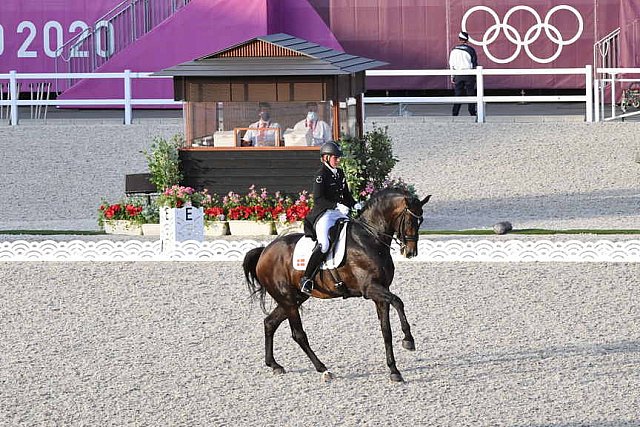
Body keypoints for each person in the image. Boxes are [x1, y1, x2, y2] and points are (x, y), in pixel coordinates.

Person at [299, 141, 362, 295]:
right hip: (324, 214)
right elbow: (319, 199)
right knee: (325, 244)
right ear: (326, 158)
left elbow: (346, 195)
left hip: (338, 212)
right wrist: (336, 206)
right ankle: (306, 278)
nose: (338, 160)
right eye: (335, 157)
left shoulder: (339, 173)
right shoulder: (321, 175)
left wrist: (356, 204)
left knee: (351, 235)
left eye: (338, 157)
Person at [449, 31, 478, 116]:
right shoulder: (471, 50)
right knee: (470, 94)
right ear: (467, 40)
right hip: (469, 74)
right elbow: (474, 64)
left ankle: (455, 112)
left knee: (458, 94)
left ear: (459, 39)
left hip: (458, 74)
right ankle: (472, 112)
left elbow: (452, 64)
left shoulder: (454, 50)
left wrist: (452, 76)